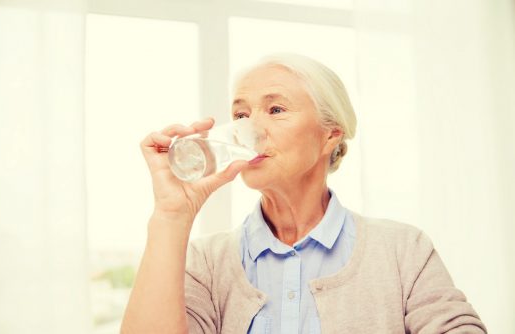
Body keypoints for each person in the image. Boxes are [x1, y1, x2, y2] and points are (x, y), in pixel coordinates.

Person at [121, 54, 487, 333]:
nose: (251, 129)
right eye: (242, 114)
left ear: (330, 134)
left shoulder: (402, 250)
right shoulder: (206, 262)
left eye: (276, 109)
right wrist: (171, 215)